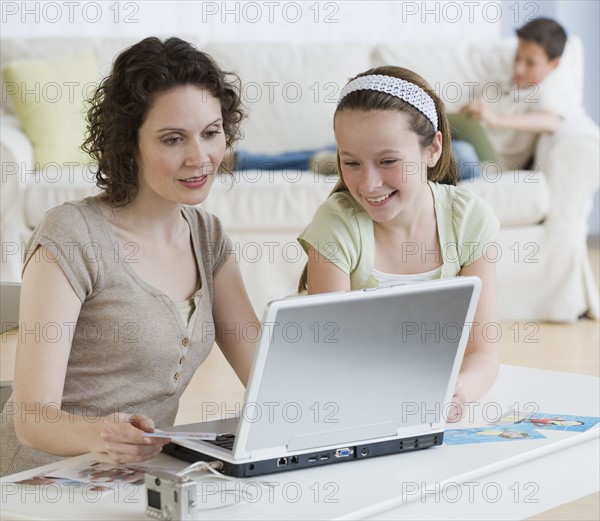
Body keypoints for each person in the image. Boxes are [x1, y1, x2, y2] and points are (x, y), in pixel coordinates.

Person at [0, 37, 259, 476]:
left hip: (138, 483)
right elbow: (32, 418)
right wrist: (99, 433)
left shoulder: (209, 238)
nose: (200, 158)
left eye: (211, 133)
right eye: (173, 139)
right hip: (39, 482)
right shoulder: (72, 235)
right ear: (129, 144)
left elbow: (266, 376)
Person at [297, 66, 501, 422]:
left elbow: (484, 351)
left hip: (432, 409)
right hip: (348, 407)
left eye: (388, 161)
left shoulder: (469, 220)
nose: (369, 184)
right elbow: (328, 358)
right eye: (351, 163)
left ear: (433, 149)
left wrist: (458, 393)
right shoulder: (337, 223)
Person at [460, 17, 568, 171]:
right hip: (463, 147)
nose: (519, 69)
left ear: (554, 64)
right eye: (517, 57)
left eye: (530, 63)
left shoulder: (544, 93)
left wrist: (497, 119)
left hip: (485, 166)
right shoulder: (497, 81)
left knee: (460, 153)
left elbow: (552, 122)